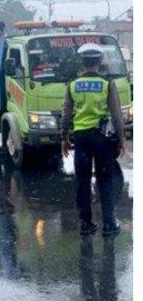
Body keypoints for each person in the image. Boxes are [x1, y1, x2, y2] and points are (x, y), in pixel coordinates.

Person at [61, 42, 126, 238]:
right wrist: (122, 140)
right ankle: (108, 224)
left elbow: (66, 114)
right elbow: (116, 115)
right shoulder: (107, 84)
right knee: (105, 180)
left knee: (82, 181)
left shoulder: (72, 85)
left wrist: (64, 137)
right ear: (99, 61)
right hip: (102, 139)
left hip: (81, 138)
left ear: (82, 61)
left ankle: (86, 224)